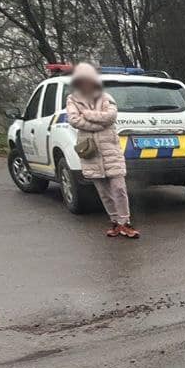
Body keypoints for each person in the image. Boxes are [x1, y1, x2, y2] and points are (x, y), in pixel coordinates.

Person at [64, 62, 139, 239]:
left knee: (119, 188)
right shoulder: (72, 99)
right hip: (91, 151)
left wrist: (88, 115)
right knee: (103, 192)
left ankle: (125, 222)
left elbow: (111, 117)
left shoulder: (105, 97)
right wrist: (99, 122)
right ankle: (115, 222)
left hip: (110, 149)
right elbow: (74, 120)